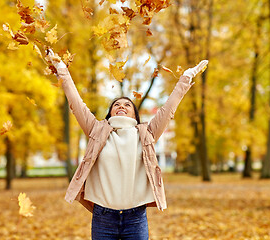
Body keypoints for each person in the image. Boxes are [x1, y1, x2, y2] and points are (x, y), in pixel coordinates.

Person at [47, 49, 208, 240]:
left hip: (135, 218)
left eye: (127, 105)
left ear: (134, 115)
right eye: (116, 104)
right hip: (103, 217)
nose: (121, 106)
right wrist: (61, 68)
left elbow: (168, 109)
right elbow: (76, 103)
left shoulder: (146, 134)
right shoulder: (97, 131)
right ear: (110, 113)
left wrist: (185, 78)